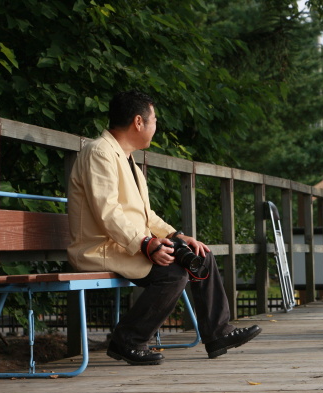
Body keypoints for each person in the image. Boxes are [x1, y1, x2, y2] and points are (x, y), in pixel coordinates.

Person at [67, 90, 261, 366]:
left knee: (200, 256)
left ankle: (218, 333)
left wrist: (176, 236)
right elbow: (107, 213)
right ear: (138, 122)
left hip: (125, 243)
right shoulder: (100, 152)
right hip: (98, 247)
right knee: (172, 273)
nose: (156, 126)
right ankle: (127, 340)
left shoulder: (126, 157)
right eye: (154, 119)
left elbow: (145, 216)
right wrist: (146, 244)